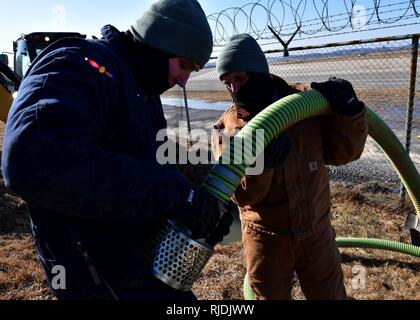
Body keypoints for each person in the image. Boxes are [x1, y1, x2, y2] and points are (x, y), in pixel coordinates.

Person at [2, 0, 234, 300]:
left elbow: (156, 161)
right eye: (184, 65)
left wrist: (205, 199)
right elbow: (31, 162)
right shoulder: (78, 64)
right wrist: (176, 195)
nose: (183, 79)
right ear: (158, 45)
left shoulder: (139, 87)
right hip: (93, 274)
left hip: (135, 264)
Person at [212, 34, 368, 300]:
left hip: (316, 230)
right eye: (227, 83)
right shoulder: (229, 128)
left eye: (239, 78)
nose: (234, 89)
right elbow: (244, 196)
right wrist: (262, 164)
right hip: (266, 237)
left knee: (329, 294)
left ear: (258, 72)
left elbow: (343, 153)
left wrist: (350, 113)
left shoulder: (305, 103)